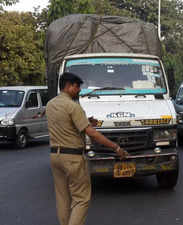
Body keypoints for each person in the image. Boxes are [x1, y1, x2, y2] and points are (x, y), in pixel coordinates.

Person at [46, 72, 128, 225]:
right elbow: (92, 134)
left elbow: (64, 124)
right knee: (81, 199)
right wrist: (116, 147)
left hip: (55, 157)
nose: (79, 91)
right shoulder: (73, 106)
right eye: (77, 87)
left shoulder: (50, 105)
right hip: (72, 159)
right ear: (69, 86)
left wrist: (86, 121)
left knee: (63, 198)